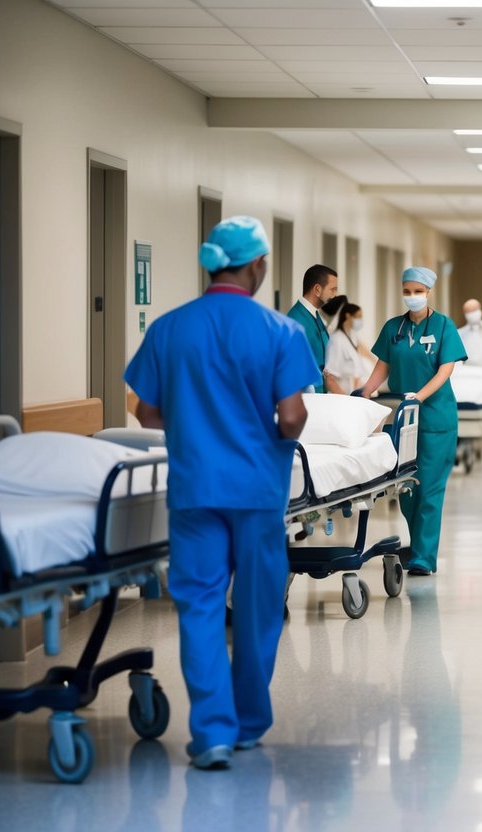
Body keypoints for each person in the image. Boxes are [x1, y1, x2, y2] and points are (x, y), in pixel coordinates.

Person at [124, 217, 319, 770]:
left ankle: (210, 731)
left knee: (201, 607)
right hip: (257, 492)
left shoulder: (170, 328)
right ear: (257, 265)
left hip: (194, 491)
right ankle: (249, 723)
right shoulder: (281, 331)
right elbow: (291, 418)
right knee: (258, 609)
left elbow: (145, 410)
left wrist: (197, 423)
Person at [359, 267, 467, 576]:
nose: (412, 296)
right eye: (407, 290)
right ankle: (417, 543)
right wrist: (366, 391)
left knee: (430, 488)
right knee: (406, 488)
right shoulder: (394, 327)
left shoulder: (444, 326)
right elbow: (383, 366)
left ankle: (424, 556)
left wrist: (419, 397)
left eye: (418, 291)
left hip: (435, 418)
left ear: (429, 292)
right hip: (401, 419)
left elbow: (445, 371)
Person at [287, 264, 343, 394]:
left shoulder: (315, 316)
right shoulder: (296, 320)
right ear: (317, 289)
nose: (335, 295)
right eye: (332, 289)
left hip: (321, 396)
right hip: (308, 400)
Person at [325, 301, 376, 395]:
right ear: (348, 316)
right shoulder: (336, 340)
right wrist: (346, 400)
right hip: (341, 399)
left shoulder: (351, 338)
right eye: (358, 316)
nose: (360, 320)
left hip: (353, 397)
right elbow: (330, 378)